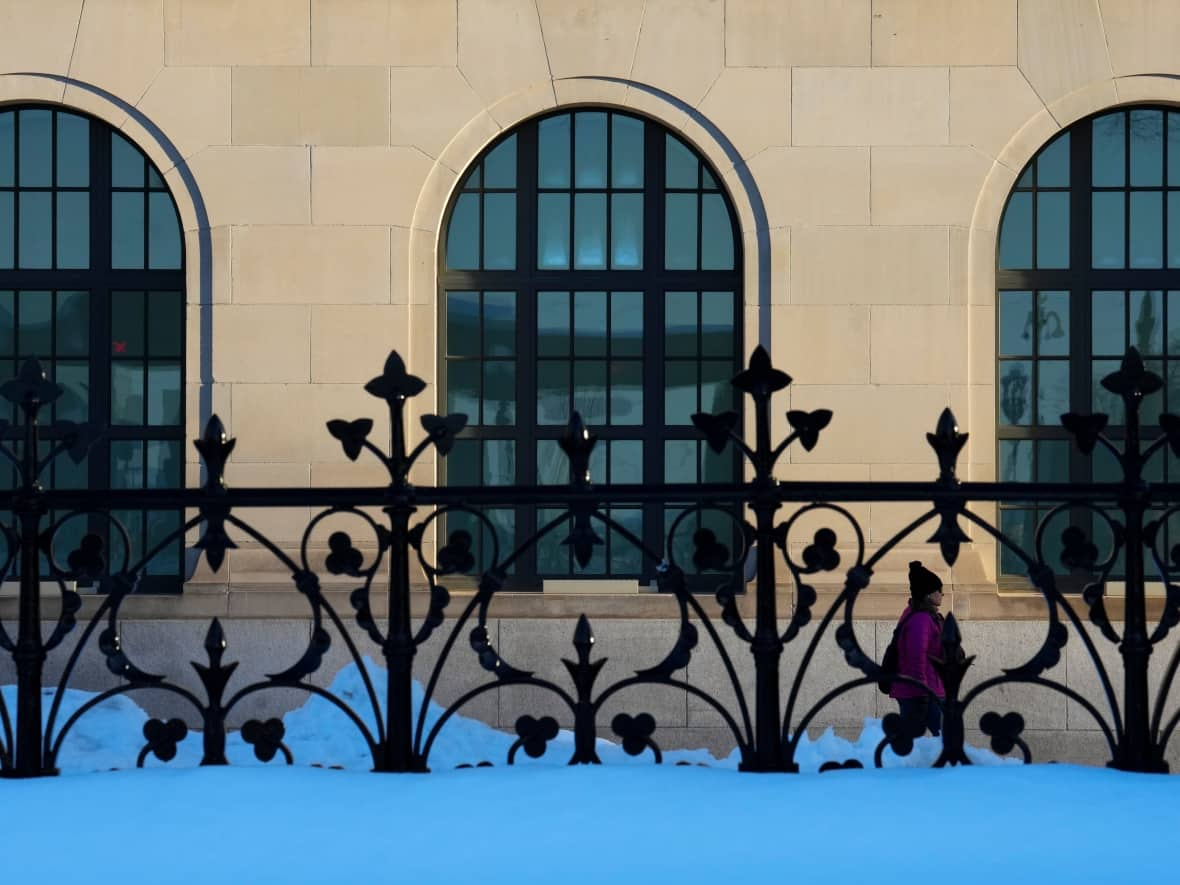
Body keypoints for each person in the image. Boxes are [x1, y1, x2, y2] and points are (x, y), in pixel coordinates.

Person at [889, 560, 946, 738]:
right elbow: (916, 657)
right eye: (938, 590)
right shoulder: (920, 619)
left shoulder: (924, 616)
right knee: (945, 742)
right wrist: (923, 693)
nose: (942, 594)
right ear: (928, 594)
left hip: (922, 690)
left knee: (915, 741)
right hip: (922, 692)